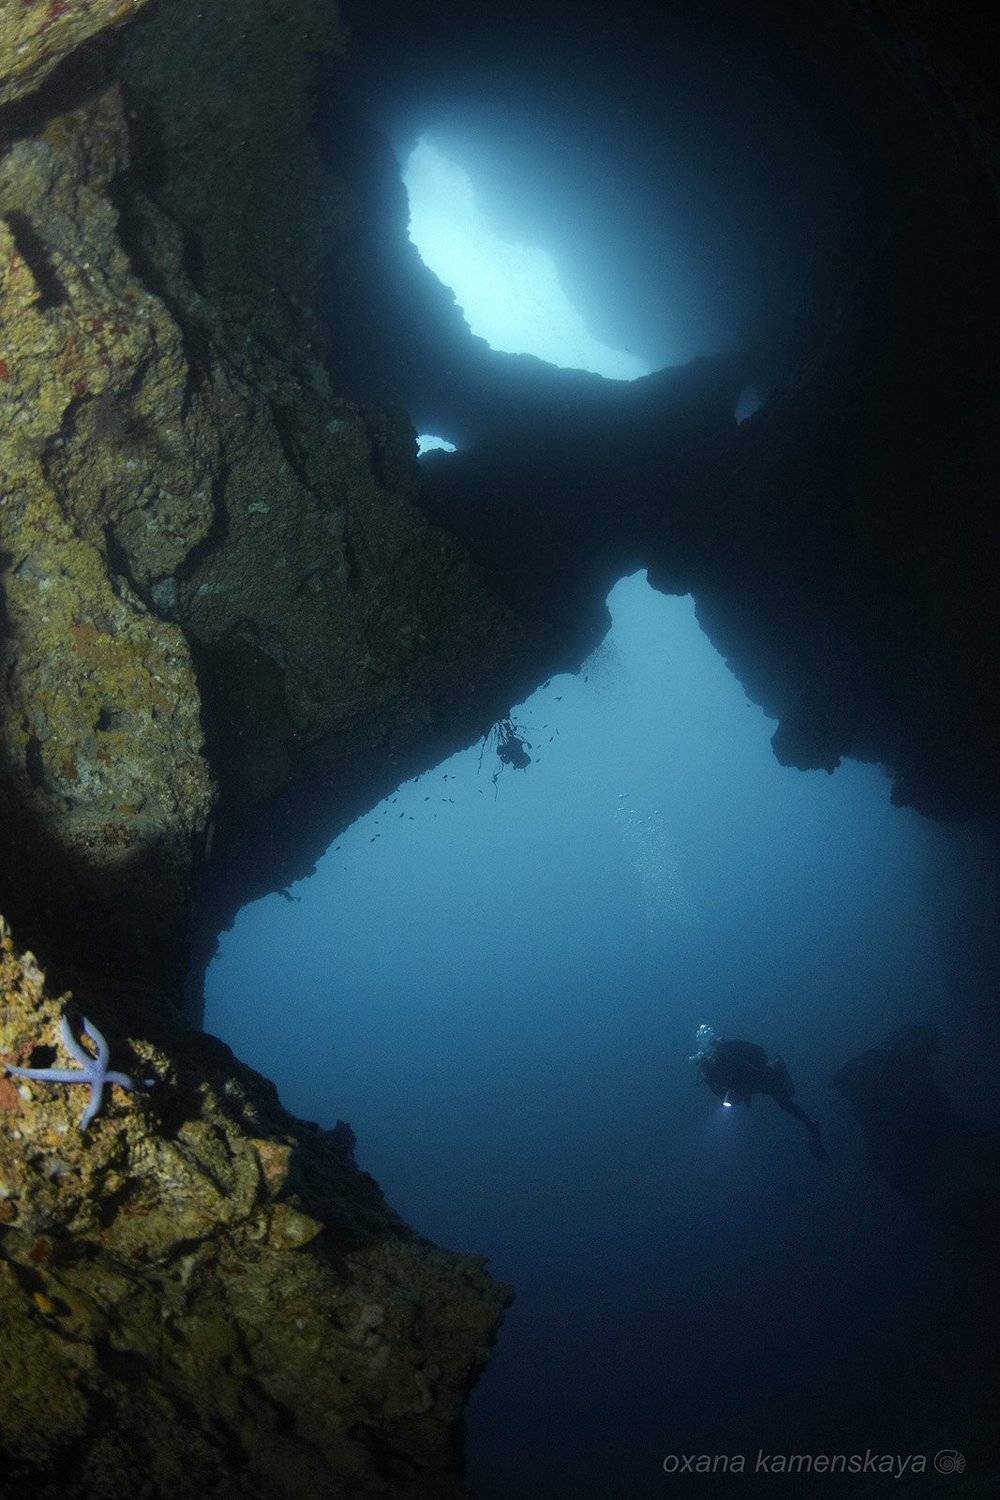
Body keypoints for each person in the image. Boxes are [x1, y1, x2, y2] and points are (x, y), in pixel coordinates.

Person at [691, 1025, 828, 1160]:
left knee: (786, 1100)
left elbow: (759, 1055)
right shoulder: (710, 1071)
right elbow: (723, 1095)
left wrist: (760, 1070)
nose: (712, 1057)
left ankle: (811, 1125)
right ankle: (810, 1125)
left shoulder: (729, 1048)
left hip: (758, 1077)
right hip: (749, 1085)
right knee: (785, 1102)